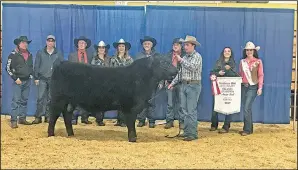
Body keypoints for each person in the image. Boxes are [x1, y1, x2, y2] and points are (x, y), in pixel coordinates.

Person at [168, 35, 202, 141]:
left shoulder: (197, 56)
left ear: (193, 46)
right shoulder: (186, 57)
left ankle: (192, 134)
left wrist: (181, 60)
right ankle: (187, 131)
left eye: (187, 45)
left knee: (191, 110)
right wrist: (172, 83)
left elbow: (193, 68)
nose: (185, 47)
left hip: (193, 85)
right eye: (184, 45)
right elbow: (180, 73)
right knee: (184, 110)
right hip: (184, 84)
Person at [32, 35, 64, 124]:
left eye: (52, 41)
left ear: (54, 43)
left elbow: (61, 66)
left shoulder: (58, 53)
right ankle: (38, 117)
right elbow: (36, 65)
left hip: (53, 79)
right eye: (49, 41)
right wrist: (36, 77)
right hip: (42, 78)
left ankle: (48, 116)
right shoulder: (40, 52)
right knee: (40, 98)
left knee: (51, 98)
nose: (50, 43)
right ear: (46, 42)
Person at [5, 36, 34, 128]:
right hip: (18, 81)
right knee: (16, 101)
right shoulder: (12, 54)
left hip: (27, 81)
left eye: (26, 43)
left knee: (24, 101)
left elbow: (30, 66)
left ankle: (22, 118)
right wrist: (15, 78)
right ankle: (14, 120)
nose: (25, 44)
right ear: (18, 44)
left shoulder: (30, 54)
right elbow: (8, 68)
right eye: (23, 42)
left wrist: (31, 75)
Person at [209, 47, 238, 133]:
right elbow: (212, 73)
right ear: (223, 52)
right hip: (218, 87)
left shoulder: (233, 63)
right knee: (215, 106)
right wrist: (218, 73)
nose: (227, 52)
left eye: (229, 51)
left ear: (231, 53)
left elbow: (236, 75)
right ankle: (214, 125)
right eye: (225, 51)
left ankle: (226, 126)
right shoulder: (218, 62)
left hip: (229, 88)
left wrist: (230, 70)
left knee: (228, 106)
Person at [135, 36, 162, 128]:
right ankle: (141, 120)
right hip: (141, 83)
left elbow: (160, 70)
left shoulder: (157, 56)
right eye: (145, 44)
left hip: (153, 82)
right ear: (143, 45)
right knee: (141, 101)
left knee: (151, 101)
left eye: (148, 44)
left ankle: (151, 120)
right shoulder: (138, 56)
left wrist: (161, 81)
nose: (146, 45)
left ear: (152, 45)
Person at [239, 41, 264, 136]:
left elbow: (261, 75)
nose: (249, 51)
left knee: (246, 108)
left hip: (253, 87)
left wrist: (260, 87)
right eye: (247, 50)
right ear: (245, 51)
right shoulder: (242, 62)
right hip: (243, 86)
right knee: (246, 108)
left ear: (254, 51)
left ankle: (247, 129)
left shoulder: (258, 61)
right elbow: (240, 74)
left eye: (250, 50)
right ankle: (248, 128)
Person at [68, 36, 93, 125]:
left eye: (83, 43)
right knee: (74, 100)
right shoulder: (72, 55)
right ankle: (73, 118)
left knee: (86, 100)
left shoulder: (90, 55)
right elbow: (69, 69)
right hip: (75, 80)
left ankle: (84, 117)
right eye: (80, 43)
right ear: (77, 45)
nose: (81, 45)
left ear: (86, 45)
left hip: (87, 81)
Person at [110, 39, 133, 127]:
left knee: (125, 102)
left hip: (126, 84)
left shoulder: (130, 59)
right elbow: (110, 71)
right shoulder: (113, 59)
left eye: (123, 46)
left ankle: (124, 120)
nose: (121, 48)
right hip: (115, 83)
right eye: (119, 46)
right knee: (116, 102)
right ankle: (119, 120)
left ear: (125, 48)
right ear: (117, 48)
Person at [163, 38, 185, 129]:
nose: (175, 46)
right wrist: (165, 80)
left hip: (181, 82)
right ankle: (169, 121)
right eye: (174, 45)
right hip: (170, 81)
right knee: (170, 103)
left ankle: (182, 122)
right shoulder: (168, 55)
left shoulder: (185, 56)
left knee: (181, 103)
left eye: (178, 45)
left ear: (181, 46)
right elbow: (164, 69)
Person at [91, 40, 111, 126]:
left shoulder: (109, 59)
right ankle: (98, 119)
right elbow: (91, 71)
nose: (102, 49)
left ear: (105, 49)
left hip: (108, 83)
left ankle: (101, 118)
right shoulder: (94, 59)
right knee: (98, 101)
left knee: (105, 101)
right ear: (97, 49)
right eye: (100, 48)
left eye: (103, 48)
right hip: (97, 83)